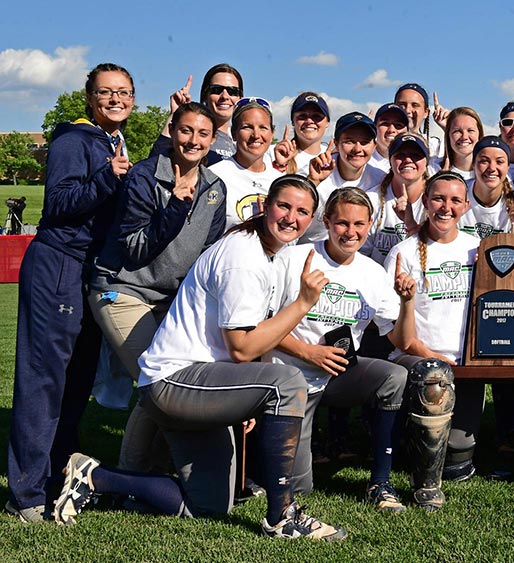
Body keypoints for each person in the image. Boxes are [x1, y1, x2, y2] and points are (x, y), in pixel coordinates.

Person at [53, 174, 348, 541]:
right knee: (288, 381)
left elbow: (250, 337)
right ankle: (283, 516)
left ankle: (95, 476)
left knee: (208, 505)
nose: (291, 217)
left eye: (303, 211)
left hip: (197, 382)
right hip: (175, 382)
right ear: (265, 206)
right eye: (284, 206)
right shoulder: (244, 256)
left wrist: (247, 398)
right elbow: (241, 346)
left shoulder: (264, 253)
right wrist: (303, 303)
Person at [6, 62, 134, 523]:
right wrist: (108, 177)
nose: (115, 99)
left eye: (123, 92)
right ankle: (25, 494)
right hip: (59, 266)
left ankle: (60, 472)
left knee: (76, 382)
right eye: (105, 93)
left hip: (88, 273)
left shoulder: (110, 142)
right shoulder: (72, 139)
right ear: (90, 97)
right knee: (44, 381)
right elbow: (58, 203)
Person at [89, 101, 226, 473]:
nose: (193, 140)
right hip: (123, 289)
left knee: (172, 383)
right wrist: (176, 210)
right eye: (185, 131)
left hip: (171, 299)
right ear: (172, 132)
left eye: (202, 133)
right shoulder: (145, 177)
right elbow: (134, 250)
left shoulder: (215, 187)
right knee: (158, 382)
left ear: (213, 140)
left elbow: (206, 256)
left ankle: (155, 470)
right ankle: (133, 476)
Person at [269, 186, 420, 510]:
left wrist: (407, 303)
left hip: (338, 374)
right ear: (326, 221)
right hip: (291, 375)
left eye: (359, 225)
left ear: (370, 225)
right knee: (300, 486)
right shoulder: (295, 258)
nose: (350, 232)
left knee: (393, 375)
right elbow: (259, 327)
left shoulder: (372, 272)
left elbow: (401, 341)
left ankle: (380, 483)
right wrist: (308, 352)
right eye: (342, 223)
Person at [384, 171, 482, 488]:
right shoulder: (403, 252)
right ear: (425, 201)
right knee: (433, 379)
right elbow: (395, 335)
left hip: (467, 364)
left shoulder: (477, 249)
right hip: (418, 360)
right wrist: (432, 356)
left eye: (455, 200)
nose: (445, 207)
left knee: (457, 455)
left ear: (466, 206)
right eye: (438, 198)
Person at [302, 112, 386, 243]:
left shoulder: (382, 180)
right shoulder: (315, 171)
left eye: (365, 142)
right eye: (349, 141)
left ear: (374, 146)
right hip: (311, 250)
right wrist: (313, 182)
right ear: (336, 143)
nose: (358, 149)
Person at [208, 98, 281, 228]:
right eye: (247, 127)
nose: (256, 135)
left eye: (263, 127)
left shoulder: (280, 181)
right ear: (234, 134)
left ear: (272, 133)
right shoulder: (214, 176)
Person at [157, 64, 244, 165]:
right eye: (216, 90)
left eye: (232, 91)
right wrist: (175, 115)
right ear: (204, 96)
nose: (225, 96)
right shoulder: (190, 137)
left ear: (240, 98)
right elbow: (155, 166)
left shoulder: (243, 140)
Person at [367, 133, 431, 265]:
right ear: (390, 160)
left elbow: (439, 253)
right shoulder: (371, 200)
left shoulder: (437, 202)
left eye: (416, 155)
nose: (408, 160)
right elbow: (360, 256)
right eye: (400, 155)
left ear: (427, 163)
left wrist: (411, 225)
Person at [458, 136, 514, 240]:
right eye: (484, 161)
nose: (491, 168)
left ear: (508, 166)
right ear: (473, 164)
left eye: (499, 162)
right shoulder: (458, 194)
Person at [268, 92, 331, 176]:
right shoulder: (272, 153)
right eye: (302, 116)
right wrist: (279, 165)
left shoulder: (334, 158)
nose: (309, 121)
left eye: (316, 116)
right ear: (293, 121)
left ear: (327, 122)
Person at [394, 83, 445, 159]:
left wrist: (449, 127)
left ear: (426, 112)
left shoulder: (434, 146)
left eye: (415, 105)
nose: (407, 110)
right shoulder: (381, 142)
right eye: (402, 105)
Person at [438, 107, 484, 181]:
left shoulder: (489, 174)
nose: (464, 137)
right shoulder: (433, 169)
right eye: (457, 131)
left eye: (470, 130)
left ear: (479, 134)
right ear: (448, 135)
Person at [370, 103, 409, 173]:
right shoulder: (363, 161)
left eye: (398, 125)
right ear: (375, 128)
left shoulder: (413, 163)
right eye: (385, 123)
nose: (391, 130)